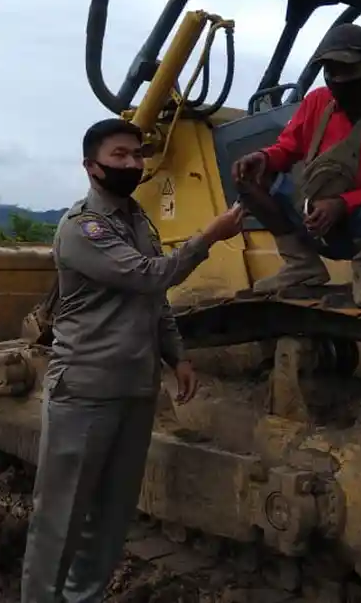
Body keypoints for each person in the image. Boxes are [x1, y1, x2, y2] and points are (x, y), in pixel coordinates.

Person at [20, 117, 246, 603]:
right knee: (61, 518)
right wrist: (209, 236)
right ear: (91, 166)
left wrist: (176, 355)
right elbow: (149, 275)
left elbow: (153, 300)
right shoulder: (84, 227)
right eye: (119, 155)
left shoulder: (137, 219)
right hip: (85, 392)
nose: (132, 163)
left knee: (111, 516)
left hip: (135, 388)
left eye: (137, 154)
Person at [231, 23, 361, 306]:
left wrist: (342, 204)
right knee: (249, 175)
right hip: (311, 212)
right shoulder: (316, 101)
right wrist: (264, 157)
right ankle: (301, 263)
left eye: (347, 69)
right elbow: (287, 148)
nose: (338, 79)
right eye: (331, 71)